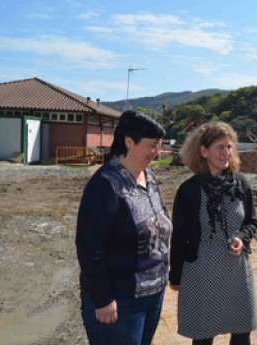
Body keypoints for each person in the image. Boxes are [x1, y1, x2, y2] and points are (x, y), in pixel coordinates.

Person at [76, 110, 172, 345]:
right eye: (152, 146)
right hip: (120, 299)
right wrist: (102, 299)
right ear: (129, 140)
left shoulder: (149, 177)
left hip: (153, 293)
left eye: (159, 146)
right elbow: (89, 247)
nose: (157, 153)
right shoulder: (106, 185)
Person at [169, 121, 257, 345]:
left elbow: (252, 221)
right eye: (220, 146)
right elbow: (179, 236)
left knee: (242, 330)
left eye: (229, 147)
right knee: (203, 334)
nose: (226, 152)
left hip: (237, 270)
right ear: (203, 151)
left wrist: (242, 238)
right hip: (202, 270)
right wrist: (176, 275)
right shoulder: (189, 190)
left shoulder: (241, 184)